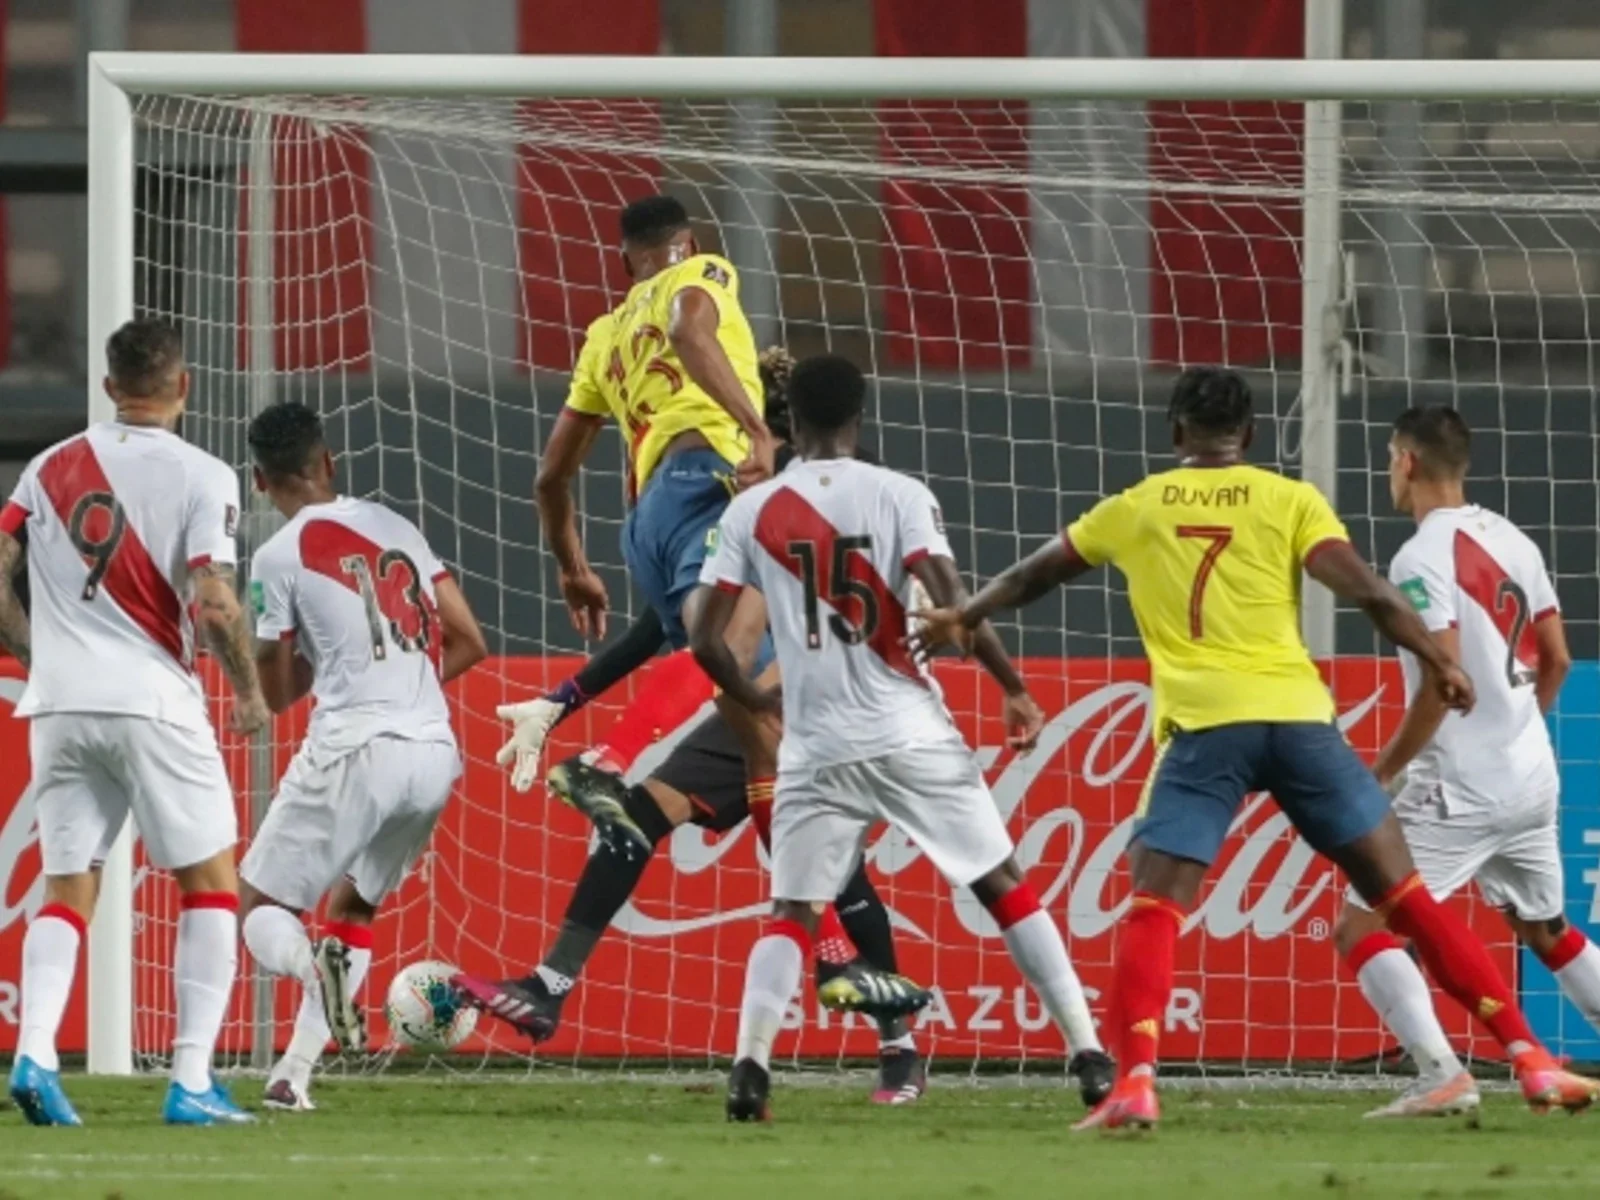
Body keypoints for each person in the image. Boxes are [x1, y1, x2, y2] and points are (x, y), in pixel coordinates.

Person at [913, 366, 1599, 1130]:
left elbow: (1030, 576)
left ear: (1177, 433)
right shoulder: (1290, 499)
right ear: (1253, 436)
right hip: (1303, 723)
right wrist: (1441, 663)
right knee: (1405, 899)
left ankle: (1134, 1081)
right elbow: (1370, 593)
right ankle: (1532, 1060)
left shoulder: (1136, 507)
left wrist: (960, 615)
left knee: (1153, 906)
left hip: (1207, 731)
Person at [461, 351, 937, 1104]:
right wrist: (564, 699)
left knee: (835, 870)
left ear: (769, 437)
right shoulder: (745, 515)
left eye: (738, 453)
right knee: (635, 818)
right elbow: (670, 623)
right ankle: (549, 987)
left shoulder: (845, 494)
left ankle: (899, 1047)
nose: (729, 469)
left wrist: (762, 688)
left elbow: (860, 617)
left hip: (826, 706)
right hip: (746, 703)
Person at [688, 354, 1112, 1122]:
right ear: (859, 414)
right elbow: (953, 604)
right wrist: (1011, 685)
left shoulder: (751, 512)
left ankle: (749, 1069)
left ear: (792, 422)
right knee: (1005, 886)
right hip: (908, 730)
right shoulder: (899, 495)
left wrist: (751, 695)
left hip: (816, 745)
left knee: (793, 911)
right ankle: (1087, 1053)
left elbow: (703, 633)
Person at [1, 319, 266, 1126]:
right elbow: (214, 601)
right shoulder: (203, 473)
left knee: (69, 886)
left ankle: (35, 1054)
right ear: (183, 386)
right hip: (152, 700)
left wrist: (33, 651)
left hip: (59, 705)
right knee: (212, 883)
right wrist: (249, 692)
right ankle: (191, 1080)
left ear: (110, 388)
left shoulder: (47, 468)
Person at [1333, 405, 1599, 1118]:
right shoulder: (1512, 538)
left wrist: (1382, 772)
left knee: (1358, 927)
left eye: (1391, 458)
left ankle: (1440, 1072)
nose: (1390, 471)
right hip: (1530, 772)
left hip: (1460, 785)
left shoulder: (1419, 557)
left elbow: (1438, 680)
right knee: (1546, 930)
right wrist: (1514, 728)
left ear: (1408, 461)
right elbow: (1561, 657)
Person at [237, 402, 488, 1112]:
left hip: (358, 748)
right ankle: (293, 1076)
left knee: (262, 905)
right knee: (353, 906)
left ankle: (316, 975)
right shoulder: (397, 528)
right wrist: (399, 686)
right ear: (329, 462)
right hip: (434, 753)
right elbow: (468, 639)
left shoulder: (277, 556)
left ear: (261, 482)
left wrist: (250, 668)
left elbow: (278, 689)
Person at [527, 192, 777, 836]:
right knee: (725, 645)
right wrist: (756, 430)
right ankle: (604, 761)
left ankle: (816, 925)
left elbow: (551, 477)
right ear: (688, 244)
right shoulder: (702, 273)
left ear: (623, 262)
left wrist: (573, 568)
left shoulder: (603, 337)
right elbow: (688, 328)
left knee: (760, 734)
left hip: (646, 523)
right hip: (705, 482)